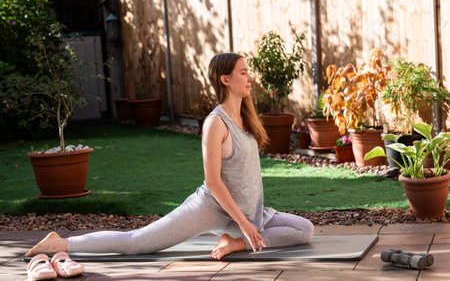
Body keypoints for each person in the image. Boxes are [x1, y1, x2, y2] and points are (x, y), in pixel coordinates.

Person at [25, 53, 314, 260]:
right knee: (136, 242)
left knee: (304, 229)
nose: (250, 77)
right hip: (212, 208)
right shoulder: (216, 123)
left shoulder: (245, 118)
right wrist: (243, 222)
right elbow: (213, 182)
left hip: (249, 212)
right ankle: (61, 242)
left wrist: (247, 223)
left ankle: (236, 244)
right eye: (243, 72)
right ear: (225, 79)